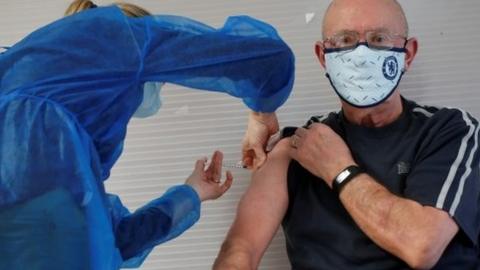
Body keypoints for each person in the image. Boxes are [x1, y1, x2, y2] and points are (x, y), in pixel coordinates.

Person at [0, 0, 295, 269]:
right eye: (160, 79)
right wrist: (260, 115)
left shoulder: (40, 123)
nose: (160, 88)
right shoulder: (121, 42)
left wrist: (191, 193)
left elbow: (112, 241)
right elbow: (269, 60)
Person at [214, 0, 480, 269]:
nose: (362, 55)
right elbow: (241, 249)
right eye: (345, 39)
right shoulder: (295, 146)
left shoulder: (450, 130)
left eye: (378, 38)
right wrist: (262, 110)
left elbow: (422, 245)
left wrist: (337, 168)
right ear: (323, 56)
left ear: (407, 54)